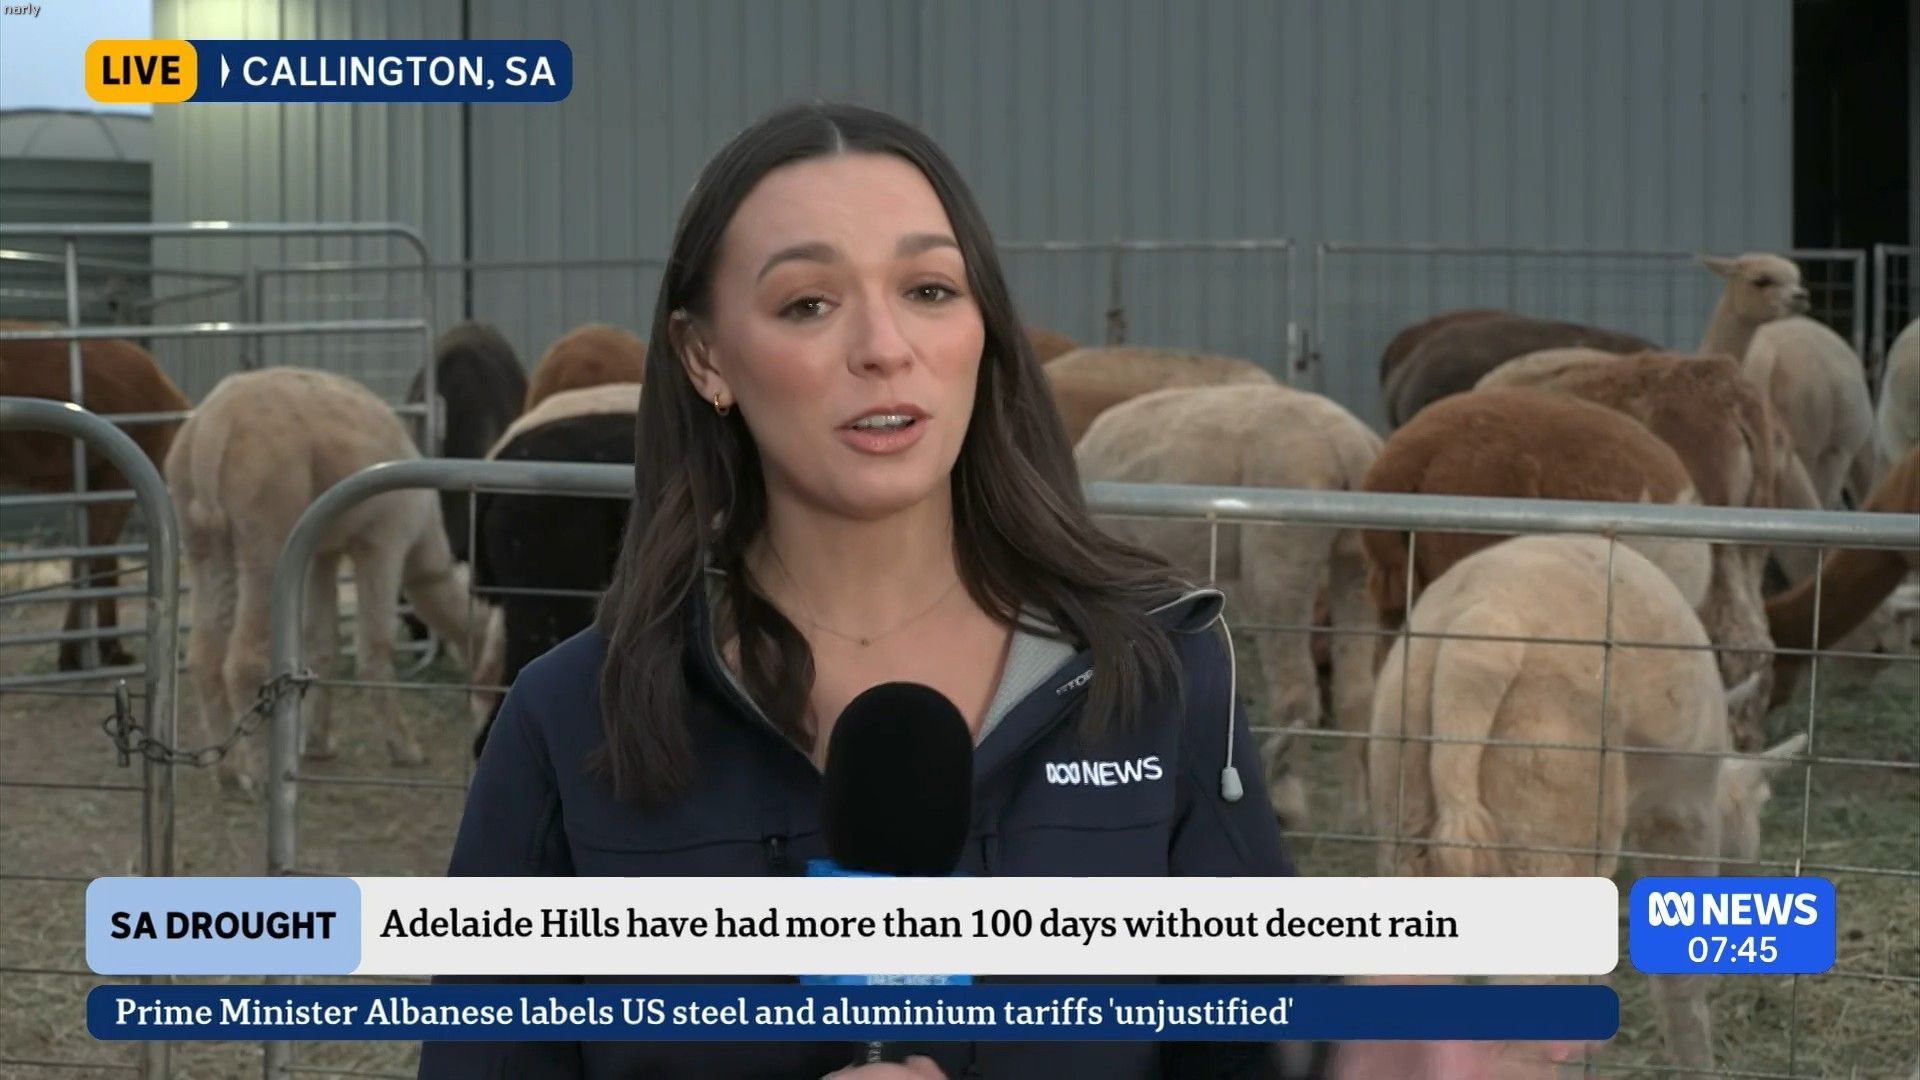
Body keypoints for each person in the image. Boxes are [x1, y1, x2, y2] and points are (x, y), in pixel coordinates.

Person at [417, 101, 1575, 1080]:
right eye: (808, 303)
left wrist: (1361, 1050)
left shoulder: (1158, 681)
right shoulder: (566, 726)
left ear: (982, 330)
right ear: (705, 356)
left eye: (929, 289)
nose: (885, 347)